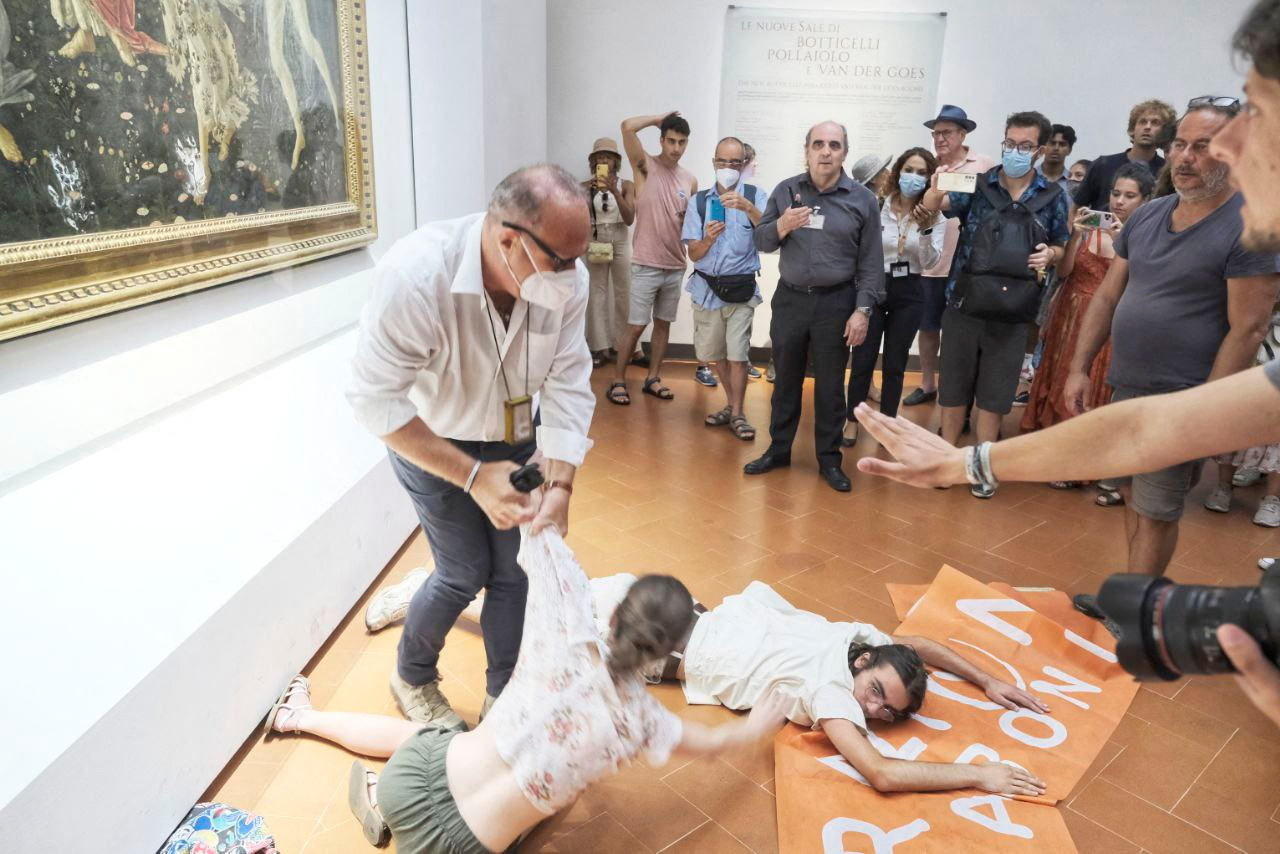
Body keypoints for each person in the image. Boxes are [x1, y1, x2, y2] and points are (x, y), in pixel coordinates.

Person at [263, 529, 789, 851]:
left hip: (415, 779)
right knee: (558, 796)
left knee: (430, 734)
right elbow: (714, 745)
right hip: (462, 847)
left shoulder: (561, 632)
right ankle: (384, 809)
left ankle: (299, 721)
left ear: (616, 612)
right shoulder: (644, 722)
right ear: (669, 652)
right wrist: (757, 726)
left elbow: (544, 543)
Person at [346, 165, 596, 730]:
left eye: (580, 258)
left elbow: (568, 380)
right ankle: (411, 675)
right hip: (432, 441)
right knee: (463, 571)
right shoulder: (415, 277)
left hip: (514, 436)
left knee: (514, 570)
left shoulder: (563, 279)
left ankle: (505, 698)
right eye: (562, 261)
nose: (574, 275)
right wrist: (472, 477)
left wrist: (560, 484)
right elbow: (374, 404)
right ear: (509, 239)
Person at [1061, 101, 1279, 592]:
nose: (1185, 157)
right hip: (1127, 384)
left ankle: (1135, 608)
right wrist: (1078, 367)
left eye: (1203, 147)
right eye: (1180, 144)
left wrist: (1208, 410)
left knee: (1157, 509)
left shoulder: (1251, 230)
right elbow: (1109, 295)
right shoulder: (1149, 215)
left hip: (1183, 398)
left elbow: (1247, 328)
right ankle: (1130, 593)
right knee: (1133, 492)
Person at [582, 574, 1048, 796]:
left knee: (548, 603)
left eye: (889, 712)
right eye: (876, 692)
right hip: (673, 623)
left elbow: (914, 647)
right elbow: (882, 772)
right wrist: (981, 773)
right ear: (864, 660)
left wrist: (986, 681)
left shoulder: (855, 647)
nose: (874, 710)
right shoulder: (834, 690)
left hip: (667, 628)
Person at [919, 111, 1070, 499]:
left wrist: (1049, 255)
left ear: (1038, 151)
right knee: (953, 385)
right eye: (1010, 143)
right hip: (965, 300)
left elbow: (1062, 244)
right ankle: (948, 460)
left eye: (1025, 146)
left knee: (996, 392)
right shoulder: (978, 184)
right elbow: (936, 209)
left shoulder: (1053, 195)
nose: (1015, 152)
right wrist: (934, 189)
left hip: (1015, 307)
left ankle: (983, 466)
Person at [745, 121, 885, 492]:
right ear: (806, 150)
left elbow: (872, 263)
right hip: (791, 299)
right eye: (818, 144)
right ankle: (778, 450)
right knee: (785, 378)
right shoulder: (786, 190)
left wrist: (862, 310)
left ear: (844, 152)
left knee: (829, 387)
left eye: (834, 145)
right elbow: (761, 240)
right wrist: (782, 226)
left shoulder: (862, 200)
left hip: (837, 303)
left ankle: (829, 459)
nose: (826, 151)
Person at [1020, 163, 1155, 462]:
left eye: (1129, 195)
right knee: (1062, 376)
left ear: (1145, 200)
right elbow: (1065, 271)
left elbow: (1142, 283)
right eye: (1115, 193)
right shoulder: (1089, 228)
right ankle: (1056, 448)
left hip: (1109, 321)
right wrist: (1074, 237)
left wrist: (1124, 242)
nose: (1119, 201)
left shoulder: (1146, 237)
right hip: (1069, 314)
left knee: (1097, 381)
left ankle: (1087, 454)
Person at [844, 148, 945, 446]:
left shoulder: (936, 217)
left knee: (895, 364)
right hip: (874, 287)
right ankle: (852, 420)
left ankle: (887, 425)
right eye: (909, 170)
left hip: (910, 290)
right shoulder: (876, 206)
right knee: (862, 360)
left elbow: (930, 264)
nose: (914, 177)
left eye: (921, 172)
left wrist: (925, 229)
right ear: (898, 171)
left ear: (929, 180)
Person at [904, 105, 996, 408]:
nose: (939, 139)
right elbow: (922, 208)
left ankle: (957, 390)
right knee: (928, 327)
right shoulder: (929, 168)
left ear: (962, 134)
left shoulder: (983, 164)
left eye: (946, 133)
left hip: (969, 265)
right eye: (935, 133)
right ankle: (928, 383)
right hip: (930, 264)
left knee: (962, 332)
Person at [681, 136, 768, 441]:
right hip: (706, 289)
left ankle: (738, 412)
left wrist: (747, 208)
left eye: (735, 162)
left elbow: (770, 238)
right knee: (716, 354)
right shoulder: (700, 202)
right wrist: (708, 240)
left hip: (742, 288)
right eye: (723, 161)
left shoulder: (757, 196)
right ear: (713, 162)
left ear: (744, 164)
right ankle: (733, 409)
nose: (728, 167)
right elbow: (693, 253)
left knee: (738, 355)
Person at [609, 111, 697, 405]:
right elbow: (626, 126)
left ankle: (653, 379)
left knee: (663, 325)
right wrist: (659, 117)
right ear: (662, 140)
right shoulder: (645, 166)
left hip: (675, 265)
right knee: (636, 325)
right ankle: (618, 381)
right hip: (646, 264)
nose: (676, 147)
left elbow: (689, 225)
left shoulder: (690, 180)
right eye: (671, 141)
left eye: (681, 142)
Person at [582, 137, 636, 368]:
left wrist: (613, 190)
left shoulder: (627, 185)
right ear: (594, 161)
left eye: (608, 156)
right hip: (596, 238)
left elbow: (630, 218)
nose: (604, 159)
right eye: (599, 156)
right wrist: (589, 194)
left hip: (620, 237)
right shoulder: (584, 186)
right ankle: (600, 347)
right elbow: (581, 220)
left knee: (624, 292)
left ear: (616, 161)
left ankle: (625, 346)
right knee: (597, 292)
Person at [1073, 99, 1175, 211]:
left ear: (1164, 131)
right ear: (1133, 128)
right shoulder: (1103, 165)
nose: (1147, 127)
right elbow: (1076, 209)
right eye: (1142, 122)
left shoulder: (1166, 171)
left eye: (1155, 123)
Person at [1038, 123, 1078, 194]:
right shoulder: (1028, 177)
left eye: (1062, 144)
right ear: (1043, 147)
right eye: (1052, 143)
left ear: (1069, 150)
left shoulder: (1074, 183)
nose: (1056, 148)